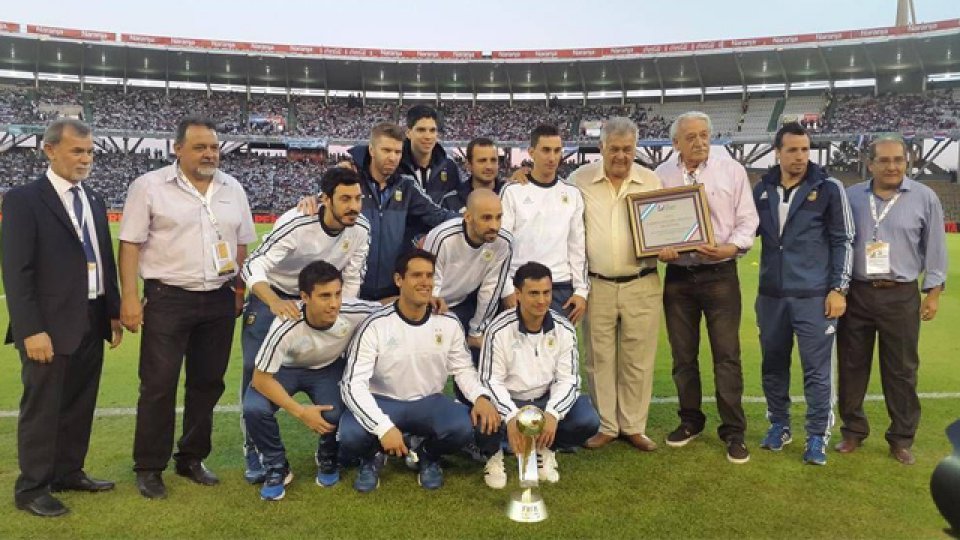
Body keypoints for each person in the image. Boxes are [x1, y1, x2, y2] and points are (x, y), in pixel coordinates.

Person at [119, 116, 257, 498]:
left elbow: (242, 243)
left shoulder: (233, 188)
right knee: (158, 385)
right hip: (168, 297)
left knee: (207, 383)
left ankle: (192, 458)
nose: (209, 153)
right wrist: (129, 297)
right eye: (199, 146)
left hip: (218, 296)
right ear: (177, 149)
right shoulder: (149, 187)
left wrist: (239, 290)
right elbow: (129, 243)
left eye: (213, 146)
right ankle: (149, 467)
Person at [2, 118, 122, 517]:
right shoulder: (24, 199)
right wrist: (30, 328)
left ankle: (69, 471)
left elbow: (103, 258)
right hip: (48, 323)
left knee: (79, 402)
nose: (85, 158)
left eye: (89, 152)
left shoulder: (95, 199)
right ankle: (32, 487)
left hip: (91, 314)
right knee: (43, 406)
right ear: (49, 150)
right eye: (76, 150)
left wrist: (113, 312)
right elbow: (17, 271)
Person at [238, 167, 369, 484]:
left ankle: (328, 447)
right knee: (256, 372)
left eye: (358, 198)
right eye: (346, 199)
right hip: (275, 296)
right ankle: (253, 448)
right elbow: (253, 265)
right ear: (325, 200)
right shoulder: (296, 222)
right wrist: (273, 302)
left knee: (330, 366)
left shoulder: (361, 229)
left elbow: (352, 276)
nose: (354, 206)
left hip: (321, 298)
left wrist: (342, 313)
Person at [338, 249, 500, 492]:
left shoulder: (448, 322)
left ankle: (428, 455)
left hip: (428, 402)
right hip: (384, 401)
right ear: (398, 280)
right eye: (416, 275)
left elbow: (463, 369)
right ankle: (370, 458)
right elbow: (352, 385)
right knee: (350, 434)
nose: (425, 282)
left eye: (429, 275)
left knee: (464, 428)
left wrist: (480, 396)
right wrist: (383, 427)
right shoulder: (375, 325)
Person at [653, 112, 759, 464]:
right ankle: (690, 421)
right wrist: (661, 249)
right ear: (676, 143)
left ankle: (733, 431)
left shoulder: (732, 170)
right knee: (683, 356)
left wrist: (731, 247)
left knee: (727, 356)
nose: (699, 142)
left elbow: (748, 220)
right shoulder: (661, 175)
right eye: (691, 137)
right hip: (679, 277)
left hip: (720, 274)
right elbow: (652, 225)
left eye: (704, 134)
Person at [836, 134, 947, 466]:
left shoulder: (924, 197)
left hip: (900, 294)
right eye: (884, 160)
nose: (892, 166)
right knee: (852, 366)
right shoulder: (851, 196)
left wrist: (933, 293)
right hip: (856, 293)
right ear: (869, 164)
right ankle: (853, 431)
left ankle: (900, 438)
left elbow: (935, 248)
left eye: (898, 159)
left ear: (907, 161)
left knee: (901, 370)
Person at [753, 122, 854, 466]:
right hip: (770, 297)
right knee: (773, 366)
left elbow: (844, 240)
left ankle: (816, 437)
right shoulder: (762, 189)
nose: (799, 156)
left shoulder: (828, 188)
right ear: (777, 152)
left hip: (813, 297)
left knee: (816, 370)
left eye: (804, 149)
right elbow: (741, 230)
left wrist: (838, 289)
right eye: (792, 150)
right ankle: (779, 425)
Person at [243, 261, 381, 500]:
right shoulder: (286, 324)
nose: (334, 303)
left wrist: (429, 302)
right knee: (254, 407)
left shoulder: (353, 310)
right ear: (304, 297)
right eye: (325, 296)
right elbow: (260, 379)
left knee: (338, 411)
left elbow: (389, 309)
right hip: (283, 372)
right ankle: (277, 466)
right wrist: (300, 412)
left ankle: (328, 454)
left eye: (338, 294)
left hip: (326, 369)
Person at [567, 117, 662, 453]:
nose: (622, 155)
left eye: (628, 149)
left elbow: (666, 227)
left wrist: (668, 246)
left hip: (642, 281)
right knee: (599, 357)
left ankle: (634, 426)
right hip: (598, 284)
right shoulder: (579, 180)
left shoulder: (651, 181)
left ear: (635, 149)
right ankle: (606, 425)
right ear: (602, 148)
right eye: (615, 149)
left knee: (638, 357)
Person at [478, 262, 600, 489]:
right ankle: (493, 455)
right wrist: (511, 416)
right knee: (480, 414)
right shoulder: (498, 329)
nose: (542, 300)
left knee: (587, 419)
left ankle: (545, 448)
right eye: (534, 293)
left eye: (546, 292)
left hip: (544, 402)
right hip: (510, 401)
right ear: (518, 294)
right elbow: (490, 381)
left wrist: (553, 414)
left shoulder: (564, 328)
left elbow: (569, 380)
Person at [344, 122, 456, 300]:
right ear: (372, 150)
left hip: (391, 291)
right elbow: (325, 202)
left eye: (397, 152)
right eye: (386, 150)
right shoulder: (351, 182)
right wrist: (311, 200)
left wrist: (469, 219)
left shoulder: (406, 186)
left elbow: (438, 215)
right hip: (351, 288)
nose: (392, 157)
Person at [500, 124, 588, 323]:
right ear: (532, 152)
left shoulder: (572, 194)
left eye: (557, 151)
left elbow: (577, 247)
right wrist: (506, 289)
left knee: (559, 352)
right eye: (546, 150)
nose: (552, 157)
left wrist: (581, 290)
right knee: (517, 353)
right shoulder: (513, 191)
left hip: (559, 287)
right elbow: (500, 246)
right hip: (520, 287)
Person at [423, 189, 513, 357]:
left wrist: (476, 331)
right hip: (432, 305)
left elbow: (491, 288)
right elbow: (428, 283)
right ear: (468, 217)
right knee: (431, 366)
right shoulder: (443, 237)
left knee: (474, 364)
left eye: (498, 217)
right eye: (486, 218)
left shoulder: (503, 242)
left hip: (464, 304)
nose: (494, 225)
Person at [399, 104, 461, 205]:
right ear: (408, 133)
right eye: (421, 130)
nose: (428, 136)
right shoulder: (396, 166)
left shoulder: (449, 167)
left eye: (432, 130)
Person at [440, 137, 506, 213]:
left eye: (493, 160)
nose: (489, 166)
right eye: (482, 161)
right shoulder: (451, 201)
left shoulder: (510, 194)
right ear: (468, 165)